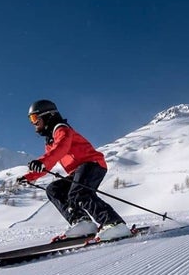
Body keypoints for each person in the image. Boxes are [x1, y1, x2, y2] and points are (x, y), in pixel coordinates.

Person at [18, 99, 131, 241]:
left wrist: (42, 161)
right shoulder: (50, 141)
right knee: (54, 189)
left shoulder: (62, 129)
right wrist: (29, 177)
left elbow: (61, 149)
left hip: (92, 164)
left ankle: (115, 224)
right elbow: (48, 165)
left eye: (35, 118)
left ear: (48, 115)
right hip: (78, 170)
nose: (33, 123)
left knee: (80, 192)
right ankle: (82, 223)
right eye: (31, 119)